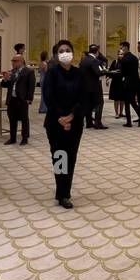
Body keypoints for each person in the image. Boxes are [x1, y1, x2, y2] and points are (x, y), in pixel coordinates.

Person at [42, 39, 92, 209]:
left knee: (70, 157)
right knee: (59, 157)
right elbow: (48, 97)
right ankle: (62, 193)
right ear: (57, 55)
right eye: (61, 51)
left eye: (67, 50)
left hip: (75, 122)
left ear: (73, 53)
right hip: (55, 123)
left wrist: (71, 116)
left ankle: (65, 192)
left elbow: (83, 98)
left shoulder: (79, 73)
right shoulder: (52, 73)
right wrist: (61, 118)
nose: (65, 53)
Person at [0, 53, 34, 144]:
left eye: (15, 61)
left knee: (24, 119)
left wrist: (29, 99)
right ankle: (12, 138)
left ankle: (24, 138)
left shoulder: (28, 71)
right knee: (12, 119)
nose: (13, 63)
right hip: (12, 99)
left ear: (21, 61)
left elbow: (31, 86)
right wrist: (5, 79)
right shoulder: (12, 72)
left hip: (22, 99)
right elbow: (4, 85)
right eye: (12, 61)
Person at [82, 44, 106, 129]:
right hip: (95, 86)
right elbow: (97, 73)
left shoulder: (84, 60)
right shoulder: (94, 61)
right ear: (97, 52)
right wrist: (104, 71)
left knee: (88, 104)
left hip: (85, 86)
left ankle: (89, 123)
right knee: (99, 103)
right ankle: (97, 123)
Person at [117, 41, 140, 126]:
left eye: (122, 47)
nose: (121, 49)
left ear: (126, 47)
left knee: (128, 103)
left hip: (128, 83)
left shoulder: (124, 59)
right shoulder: (134, 58)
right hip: (135, 82)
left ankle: (129, 122)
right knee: (132, 102)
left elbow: (122, 72)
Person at [36, 50, 49, 115]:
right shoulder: (45, 63)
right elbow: (47, 72)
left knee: (43, 94)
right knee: (44, 94)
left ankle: (42, 108)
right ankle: (43, 109)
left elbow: (39, 71)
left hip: (41, 78)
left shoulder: (40, 63)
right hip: (45, 79)